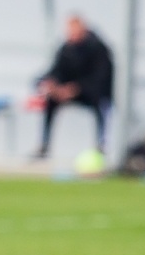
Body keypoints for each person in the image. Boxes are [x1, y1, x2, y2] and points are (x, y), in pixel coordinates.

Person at [35, 15, 112, 159]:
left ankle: (101, 144)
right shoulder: (66, 48)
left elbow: (100, 78)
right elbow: (57, 70)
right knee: (50, 102)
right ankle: (44, 145)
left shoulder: (97, 48)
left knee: (99, 105)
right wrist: (51, 83)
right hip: (68, 92)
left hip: (90, 93)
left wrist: (76, 88)